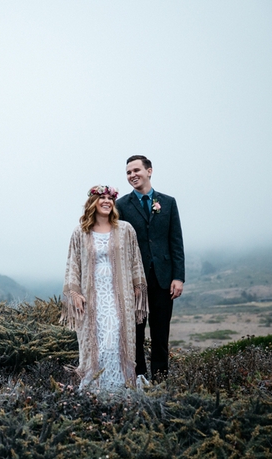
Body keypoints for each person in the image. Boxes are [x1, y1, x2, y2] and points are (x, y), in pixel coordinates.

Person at [62, 185, 148, 391]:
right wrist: (74, 293)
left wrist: (138, 286)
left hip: (120, 296)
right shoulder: (80, 232)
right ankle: (94, 388)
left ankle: (120, 387)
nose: (107, 201)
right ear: (93, 202)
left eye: (110, 198)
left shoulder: (126, 229)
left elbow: (136, 258)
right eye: (102, 198)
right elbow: (73, 263)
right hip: (92, 297)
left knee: (117, 340)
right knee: (96, 342)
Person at [115, 155, 184, 383]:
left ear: (149, 171)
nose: (132, 175)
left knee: (160, 334)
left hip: (163, 279)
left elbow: (176, 242)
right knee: (135, 333)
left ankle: (161, 381)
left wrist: (178, 277)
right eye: (128, 172)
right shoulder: (121, 205)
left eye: (136, 170)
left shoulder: (169, 202)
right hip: (135, 283)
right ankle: (139, 379)